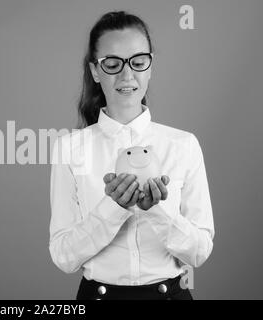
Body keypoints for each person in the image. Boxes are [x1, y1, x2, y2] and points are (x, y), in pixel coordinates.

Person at [49, 11, 214, 300]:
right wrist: (113, 209)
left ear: (150, 67)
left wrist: (158, 211)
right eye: (112, 63)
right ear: (95, 71)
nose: (127, 75)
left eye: (138, 62)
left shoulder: (183, 145)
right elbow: (64, 256)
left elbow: (200, 251)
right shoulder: (69, 149)